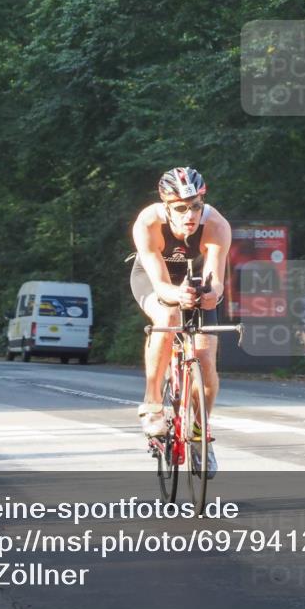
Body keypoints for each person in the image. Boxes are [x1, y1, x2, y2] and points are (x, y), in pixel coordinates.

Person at [129, 167, 231, 476]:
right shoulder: (148, 223)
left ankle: (200, 433)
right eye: (181, 208)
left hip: (196, 279)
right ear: (166, 206)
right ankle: (152, 404)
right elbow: (161, 286)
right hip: (155, 279)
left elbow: (216, 281)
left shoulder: (216, 225)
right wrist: (177, 295)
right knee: (168, 316)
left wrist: (210, 295)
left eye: (196, 206)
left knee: (205, 357)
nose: (190, 215)